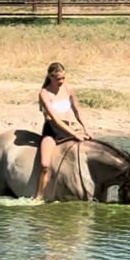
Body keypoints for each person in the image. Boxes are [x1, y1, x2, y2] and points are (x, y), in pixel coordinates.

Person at [33, 62, 92, 200]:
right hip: (52, 131)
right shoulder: (44, 93)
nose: (61, 81)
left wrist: (86, 129)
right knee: (45, 164)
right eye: (58, 78)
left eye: (63, 78)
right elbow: (55, 119)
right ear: (50, 77)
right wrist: (74, 134)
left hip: (69, 128)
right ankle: (38, 196)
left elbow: (77, 111)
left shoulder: (68, 89)